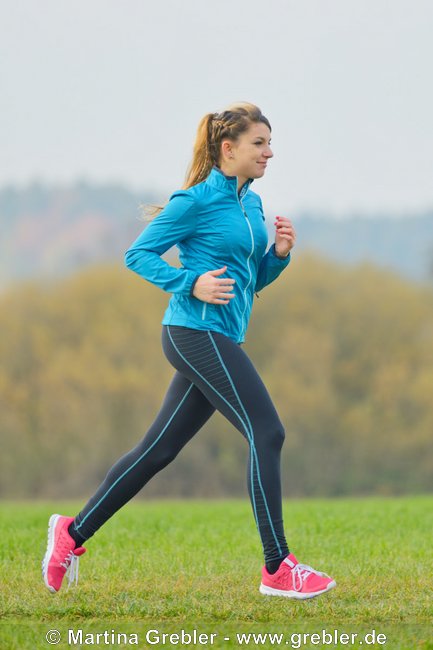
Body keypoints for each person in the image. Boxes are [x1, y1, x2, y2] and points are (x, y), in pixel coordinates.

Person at [42, 102, 336, 599]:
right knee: (267, 431)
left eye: (269, 142)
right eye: (259, 143)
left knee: (157, 451)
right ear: (229, 148)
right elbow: (137, 254)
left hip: (220, 335)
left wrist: (278, 257)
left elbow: (247, 282)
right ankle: (277, 567)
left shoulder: (252, 205)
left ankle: (71, 534)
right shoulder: (194, 202)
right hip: (193, 332)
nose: (270, 153)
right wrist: (188, 282)